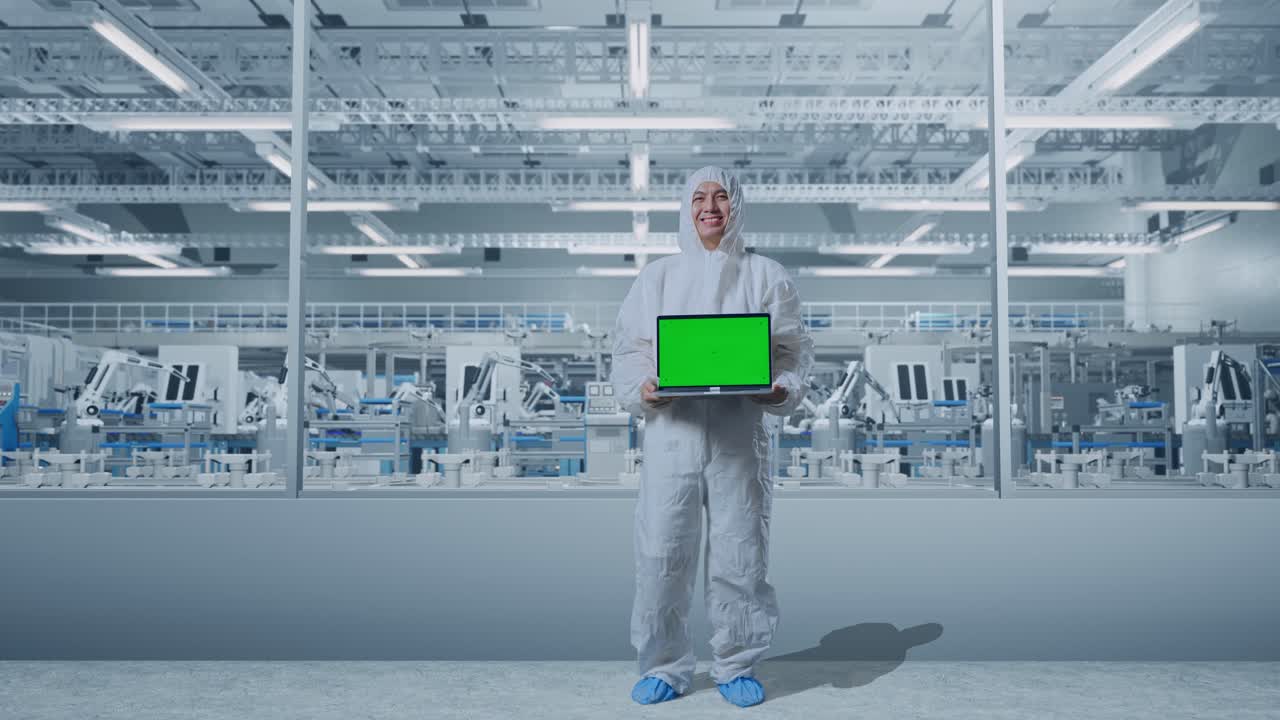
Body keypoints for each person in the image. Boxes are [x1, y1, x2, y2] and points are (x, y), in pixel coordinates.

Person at [610, 166, 814, 707]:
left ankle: (737, 664)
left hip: (738, 439)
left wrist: (780, 390)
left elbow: (793, 354)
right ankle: (663, 665)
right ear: (685, 206)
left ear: (737, 205)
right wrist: (643, 389)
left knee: (740, 554)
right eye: (699, 197)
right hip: (671, 436)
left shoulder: (767, 275)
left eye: (721, 196)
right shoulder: (657, 277)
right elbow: (629, 353)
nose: (710, 207)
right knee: (660, 552)